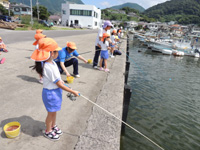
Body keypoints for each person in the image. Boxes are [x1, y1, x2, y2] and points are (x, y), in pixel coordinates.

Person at [31, 38, 80, 141]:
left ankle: (53, 126)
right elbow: (58, 83)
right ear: (51, 53)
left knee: (54, 111)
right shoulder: (48, 67)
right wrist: (72, 91)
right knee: (51, 113)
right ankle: (48, 131)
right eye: (56, 51)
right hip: (51, 93)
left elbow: (59, 80)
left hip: (55, 91)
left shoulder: (52, 63)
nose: (58, 52)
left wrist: (66, 86)